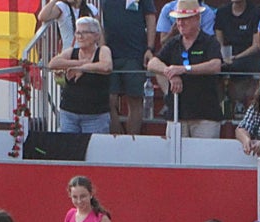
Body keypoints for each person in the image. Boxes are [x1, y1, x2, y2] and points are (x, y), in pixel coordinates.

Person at [147, 0, 225, 137]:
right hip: (177, 114)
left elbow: (215, 65)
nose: (180, 23)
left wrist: (184, 69)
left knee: (204, 157)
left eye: (185, 19)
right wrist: (170, 72)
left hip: (205, 115)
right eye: (178, 19)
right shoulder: (173, 43)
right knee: (174, 157)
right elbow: (152, 63)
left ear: (197, 19)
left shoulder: (209, 42)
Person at [49, 17, 115, 134]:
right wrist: (81, 63)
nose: (80, 36)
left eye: (84, 32)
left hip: (95, 116)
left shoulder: (103, 50)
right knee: (69, 149)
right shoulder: (71, 52)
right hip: (69, 113)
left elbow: (106, 66)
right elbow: (53, 63)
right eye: (78, 32)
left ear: (96, 36)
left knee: (94, 150)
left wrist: (82, 69)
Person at [101, 0, 158, 135]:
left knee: (135, 99)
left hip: (135, 54)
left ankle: (132, 141)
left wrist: (150, 48)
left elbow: (150, 18)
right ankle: (117, 141)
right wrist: (102, 49)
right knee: (108, 100)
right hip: (110, 55)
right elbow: (98, 20)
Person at [216, 0, 260, 115]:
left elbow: (256, 45)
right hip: (225, 56)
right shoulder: (222, 12)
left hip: (248, 56)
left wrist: (236, 57)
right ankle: (218, 106)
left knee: (239, 66)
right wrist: (223, 57)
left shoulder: (255, 12)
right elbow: (219, 42)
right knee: (215, 68)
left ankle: (244, 104)